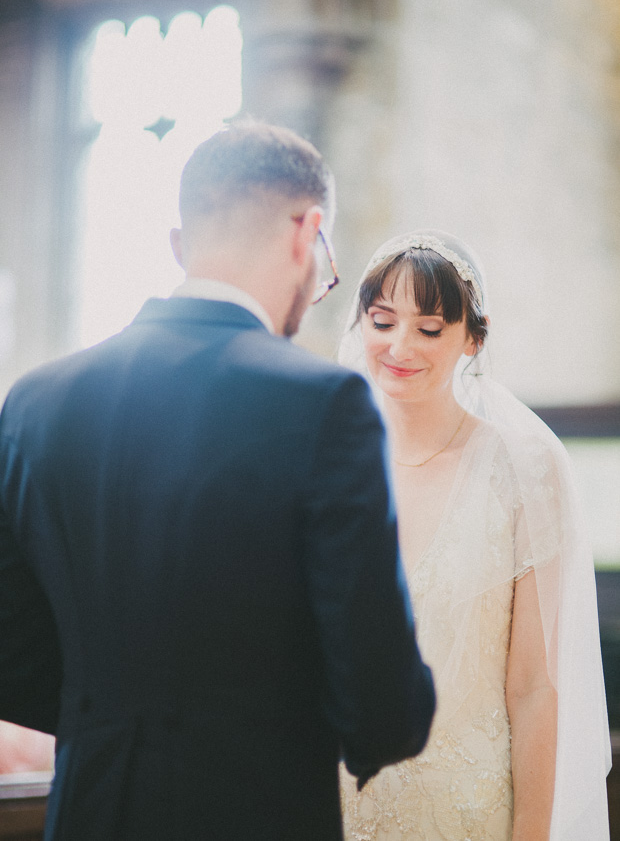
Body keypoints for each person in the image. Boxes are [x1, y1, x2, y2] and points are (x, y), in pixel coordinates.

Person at [0, 123, 436, 841]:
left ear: (183, 244)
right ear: (308, 232)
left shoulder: (37, 401)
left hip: (90, 807)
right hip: (254, 810)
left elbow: (11, 646)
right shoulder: (323, 404)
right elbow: (381, 707)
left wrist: (107, 714)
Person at [338, 231, 611, 841]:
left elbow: (535, 688)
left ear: (473, 339)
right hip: (340, 800)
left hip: (465, 810)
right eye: (382, 321)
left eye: (429, 329)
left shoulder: (524, 466)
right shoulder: (330, 460)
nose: (399, 346)